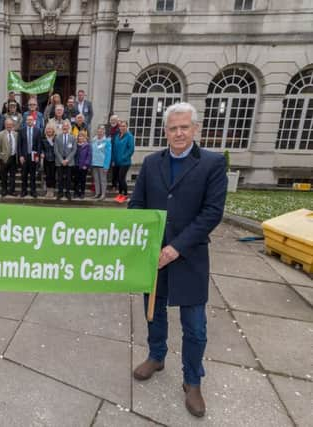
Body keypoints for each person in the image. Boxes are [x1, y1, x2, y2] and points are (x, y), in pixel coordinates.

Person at [129, 102, 227, 419]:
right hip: (154, 258)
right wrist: (138, 238)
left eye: (184, 127)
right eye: (173, 128)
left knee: (195, 327)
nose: (179, 133)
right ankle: (156, 356)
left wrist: (176, 248)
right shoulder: (151, 162)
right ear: (166, 131)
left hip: (189, 257)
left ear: (195, 128)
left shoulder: (212, 163)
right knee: (153, 312)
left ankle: (192, 380)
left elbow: (212, 213)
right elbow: (137, 205)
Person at [19, 115, 42, 198]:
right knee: (24, 175)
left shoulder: (38, 131)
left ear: (34, 121)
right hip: (24, 156)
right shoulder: (21, 131)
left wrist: (37, 156)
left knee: (33, 175)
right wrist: (20, 155)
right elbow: (19, 145)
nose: (29, 121)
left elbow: (39, 145)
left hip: (33, 156)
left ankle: (33, 191)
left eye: (31, 120)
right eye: (28, 120)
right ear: (26, 121)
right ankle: (23, 191)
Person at [112, 120, 135, 203]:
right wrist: (114, 160)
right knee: (118, 178)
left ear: (127, 127)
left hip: (125, 162)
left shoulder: (129, 136)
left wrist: (123, 157)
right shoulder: (117, 136)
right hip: (117, 162)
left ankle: (125, 194)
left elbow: (131, 149)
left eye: (124, 126)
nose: (122, 127)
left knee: (121, 178)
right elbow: (114, 149)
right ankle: (120, 194)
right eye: (121, 126)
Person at [0, 118, 18, 197]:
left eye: (10, 124)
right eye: (7, 124)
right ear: (5, 125)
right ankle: (4, 190)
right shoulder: (0, 134)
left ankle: (12, 190)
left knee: (12, 176)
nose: (9, 126)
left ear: (12, 125)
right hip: (4, 158)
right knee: (4, 176)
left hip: (13, 157)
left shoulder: (16, 134)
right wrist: (0, 157)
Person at [54, 120, 76, 201]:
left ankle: (67, 192)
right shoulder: (57, 137)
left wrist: (67, 160)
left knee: (68, 178)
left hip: (69, 161)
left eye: (66, 127)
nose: (65, 128)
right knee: (59, 178)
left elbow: (74, 150)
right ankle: (60, 192)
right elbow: (55, 150)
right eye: (64, 127)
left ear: (69, 128)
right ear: (62, 128)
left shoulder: (73, 137)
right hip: (59, 161)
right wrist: (61, 160)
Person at [90, 125, 112, 200]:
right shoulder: (94, 140)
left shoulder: (107, 141)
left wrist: (106, 166)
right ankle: (97, 193)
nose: (100, 132)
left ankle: (103, 194)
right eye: (99, 130)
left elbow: (108, 155)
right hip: (94, 163)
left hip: (102, 164)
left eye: (102, 130)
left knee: (103, 180)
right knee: (96, 180)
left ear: (104, 131)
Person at [73, 131, 91, 199]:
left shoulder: (87, 145)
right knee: (76, 180)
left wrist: (86, 164)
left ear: (85, 137)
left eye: (82, 136)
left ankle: (82, 193)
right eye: (79, 136)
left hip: (83, 166)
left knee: (83, 180)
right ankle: (76, 192)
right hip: (76, 165)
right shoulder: (75, 145)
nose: (80, 138)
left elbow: (89, 156)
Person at [41, 124, 57, 198]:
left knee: (53, 175)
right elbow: (41, 148)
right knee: (47, 175)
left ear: (53, 130)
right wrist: (42, 153)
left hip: (54, 160)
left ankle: (52, 190)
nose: (49, 131)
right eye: (48, 129)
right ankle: (48, 190)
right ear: (46, 131)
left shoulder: (56, 139)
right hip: (46, 159)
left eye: (50, 129)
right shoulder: (43, 139)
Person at [106, 114, 120, 190]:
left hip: (116, 151)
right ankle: (108, 181)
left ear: (117, 121)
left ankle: (114, 184)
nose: (113, 121)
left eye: (114, 120)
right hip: (108, 150)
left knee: (115, 168)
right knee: (107, 166)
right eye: (111, 120)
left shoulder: (119, 129)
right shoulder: (108, 128)